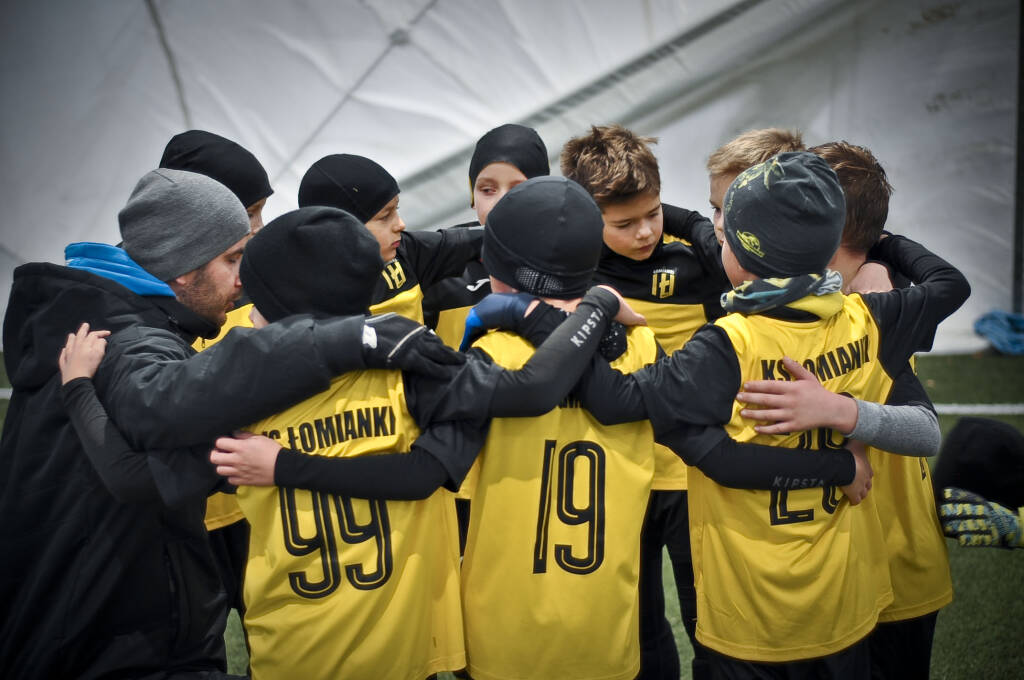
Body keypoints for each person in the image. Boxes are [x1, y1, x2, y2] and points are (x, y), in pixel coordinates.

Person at [510, 151, 969, 676]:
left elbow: (613, 400)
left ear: (742, 255)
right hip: (844, 604)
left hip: (751, 613)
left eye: (725, 235)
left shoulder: (729, 343)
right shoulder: (869, 318)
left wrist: (586, 309)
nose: (716, 240)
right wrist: (877, 243)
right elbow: (949, 283)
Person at [0, 167, 462, 679]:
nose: (243, 283)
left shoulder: (91, 321)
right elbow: (158, 404)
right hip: (113, 643)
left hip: (106, 630)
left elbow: (135, 474)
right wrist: (346, 339)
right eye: (232, 258)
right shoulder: (131, 342)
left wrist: (78, 390)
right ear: (181, 268)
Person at [560, 123, 728, 678]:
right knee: (637, 627)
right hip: (614, 470)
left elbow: (712, 236)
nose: (644, 232)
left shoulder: (697, 258)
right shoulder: (570, 270)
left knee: (711, 621)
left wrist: (685, 221)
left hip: (691, 469)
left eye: (653, 214)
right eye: (624, 223)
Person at [160, 127, 277, 626]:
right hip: (186, 512)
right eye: (251, 213)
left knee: (266, 624)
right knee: (193, 632)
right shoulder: (151, 301)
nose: (259, 228)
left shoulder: (259, 278)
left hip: (249, 497)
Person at [298, 153, 483, 323]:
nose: (400, 224)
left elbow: (467, 241)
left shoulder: (405, 251)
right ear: (340, 231)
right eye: (385, 216)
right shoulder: (309, 304)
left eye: (396, 209)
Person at [422, 123, 550, 348]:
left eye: (517, 189)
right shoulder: (438, 265)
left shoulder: (574, 255)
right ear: (473, 196)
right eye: (487, 190)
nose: (501, 202)